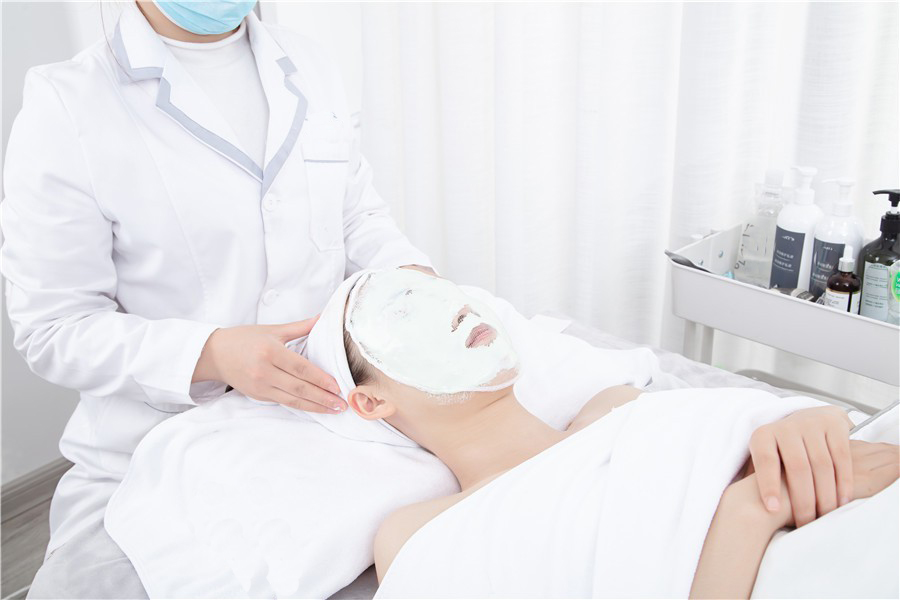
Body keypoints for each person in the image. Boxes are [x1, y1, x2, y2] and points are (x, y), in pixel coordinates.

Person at [0, 0, 433, 588]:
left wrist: (409, 276)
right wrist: (212, 353)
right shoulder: (69, 102)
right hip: (154, 444)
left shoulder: (308, 61)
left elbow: (355, 216)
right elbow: (54, 328)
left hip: (323, 422)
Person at [335, 268, 899, 598]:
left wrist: (805, 420)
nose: (457, 310)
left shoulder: (614, 406)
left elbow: (731, 432)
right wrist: (750, 512)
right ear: (371, 401)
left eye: (447, 293)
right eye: (405, 311)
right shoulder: (417, 534)